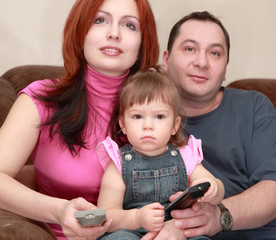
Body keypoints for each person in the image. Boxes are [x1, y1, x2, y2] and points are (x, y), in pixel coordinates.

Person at [142, 11, 276, 240]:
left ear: (225, 69)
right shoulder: (143, 119)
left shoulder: (253, 107)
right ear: (166, 59)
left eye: (215, 53)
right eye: (190, 49)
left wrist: (217, 216)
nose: (202, 62)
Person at [0, 0, 159, 239]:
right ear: (80, 31)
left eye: (129, 25)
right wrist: (58, 210)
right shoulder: (40, 100)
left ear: (142, 43)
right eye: (100, 20)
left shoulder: (161, 106)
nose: (114, 33)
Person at [95, 67, 225, 240]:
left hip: (176, 230)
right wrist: (136, 218)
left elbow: (215, 185)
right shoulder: (119, 163)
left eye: (159, 117)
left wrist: (213, 188)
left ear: (175, 125)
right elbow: (105, 215)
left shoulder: (185, 156)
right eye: (137, 116)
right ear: (123, 125)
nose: (148, 125)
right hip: (132, 231)